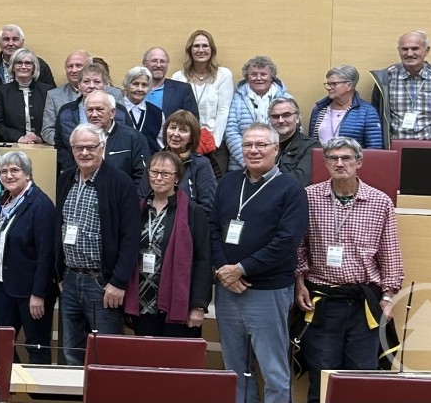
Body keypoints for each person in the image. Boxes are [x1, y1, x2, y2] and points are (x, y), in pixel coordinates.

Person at [296, 136, 404, 403]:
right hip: (321, 302)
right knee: (322, 376)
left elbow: (390, 254)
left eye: (346, 158)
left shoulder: (380, 203)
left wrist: (388, 298)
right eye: (333, 158)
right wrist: (299, 283)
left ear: (359, 162)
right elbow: (298, 247)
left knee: (361, 378)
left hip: (363, 304)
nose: (340, 163)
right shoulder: (308, 197)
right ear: (325, 163)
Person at [212, 122, 309, 403]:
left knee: (273, 370)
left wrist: (241, 269)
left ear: (275, 149)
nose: (253, 151)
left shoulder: (291, 190)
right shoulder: (228, 182)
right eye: (247, 145)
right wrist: (222, 270)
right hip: (227, 290)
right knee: (235, 370)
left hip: (267, 291)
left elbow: (286, 242)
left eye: (260, 145)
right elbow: (213, 228)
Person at [56, 123, 143, 365]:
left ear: (102, 148)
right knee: (72, 352)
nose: (84, 153)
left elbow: (130, 237)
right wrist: (60, 273)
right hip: (71, 279)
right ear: (72, 150)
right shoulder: (66, 179)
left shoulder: (120, 182)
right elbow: (58, 227)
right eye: (79, 148)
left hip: (102, 282)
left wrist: (118, 281)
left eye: (90, 147)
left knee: (106, 353)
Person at [126, 151, 210, 338]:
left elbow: (203, 260)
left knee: (175, 362)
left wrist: (198, 305)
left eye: (166, 174)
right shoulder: (137, 208)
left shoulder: (193, 212)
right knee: (147, 360)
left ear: (177, 178)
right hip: (143, 301)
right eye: (154, 172)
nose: (158, 178)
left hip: (179, 302)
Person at [0, 151, 57, 364]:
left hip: (31, 291)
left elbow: (47, 254)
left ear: (27, 174)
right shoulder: (6, 201)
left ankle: (39, 395)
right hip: (5, 285)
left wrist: (38, 294)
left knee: (36, 345)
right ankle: (10, 387)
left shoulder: (40, 205)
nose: (9, 175)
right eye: (4, 171)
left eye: (15, 170)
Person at [371, 30, 431, 142]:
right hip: (395, 147)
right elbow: (376, 112)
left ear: (426, 50)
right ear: (398, 51)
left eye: (415, 49)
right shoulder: (385, 78)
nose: (409, 54)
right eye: (404, 49)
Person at [57, 89, 150, 188]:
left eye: (99, 109)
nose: (94, 114)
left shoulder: (133, 137)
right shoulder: (79, 137)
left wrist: (131, 200)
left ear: (112, 113)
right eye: (90, 110)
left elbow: (142, 176)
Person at [180, 30, 236, 174]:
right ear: (190, 50)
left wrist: (214, 142)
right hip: (188, 142)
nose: (201, 50)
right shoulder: (179, 77)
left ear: (212, 50)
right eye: (196, 46)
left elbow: (224, 110)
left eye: (205, 46)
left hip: (215, 143)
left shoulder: (223, 75)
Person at [223, 55, 290, 161]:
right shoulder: (236, 99)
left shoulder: (286, 98)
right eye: (253, 74)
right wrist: (247, 160)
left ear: (271, 77)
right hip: (242, 163)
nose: (258, 78)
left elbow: (294, 130)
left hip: (279, 163)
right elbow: (231, 132)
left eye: (263, 74)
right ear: (247, 77)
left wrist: (275, 162)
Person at [309, 65, 383, 149]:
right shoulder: (319, 110)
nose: (329, 88)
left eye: (333, 84)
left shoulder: (368, 112)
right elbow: (311, 144)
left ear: (349, 86)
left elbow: (374, 148)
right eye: (328, 84)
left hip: (351, 161)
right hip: (322, 160)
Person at [161, 111, 219, 214]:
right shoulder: (155, 160)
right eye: (172, 128)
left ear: (192, 137)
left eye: (183, 130)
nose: (175, 134)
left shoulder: (201, 164)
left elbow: (207, 205)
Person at [0, 48, 51, 144]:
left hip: (43, 145)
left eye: (28, 63)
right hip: (14, 144)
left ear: (34, 67)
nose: (23, 66)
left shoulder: (47, 91)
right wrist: (19, 137)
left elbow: (53, 122)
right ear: (13, 67)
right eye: (19, 63)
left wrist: (39, 137)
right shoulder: (1, 91)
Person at [266, 98, 317, 187]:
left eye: (286, 115)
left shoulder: (311, 146)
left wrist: (266, 180)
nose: (280, 120)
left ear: (297, 118)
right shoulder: (264, 144)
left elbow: (301, 179)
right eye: (275, 116)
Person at [0, 24, 56, 88]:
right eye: (6, 39)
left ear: (22, 42)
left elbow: (51, 94)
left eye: (15, 39)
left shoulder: (40, 65)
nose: (10, 43)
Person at [141, 47, 199, 118]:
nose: (159, 65)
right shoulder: (134, 90)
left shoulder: (183, 90)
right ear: (144, 63)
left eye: (162, 61)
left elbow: (192, 121)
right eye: (154, 61)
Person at [118, 66, 164, 146]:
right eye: (135, 84)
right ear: (126, 85)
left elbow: (161, 144)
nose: (140, 89)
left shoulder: (157, 113)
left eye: (144, 85)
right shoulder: (115, 110)